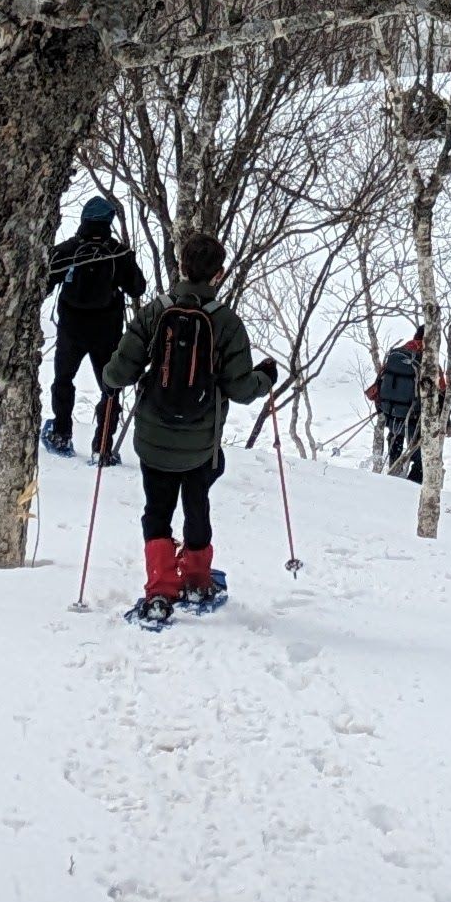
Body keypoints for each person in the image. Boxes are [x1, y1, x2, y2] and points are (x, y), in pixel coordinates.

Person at [122, 230, 278, 620]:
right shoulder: (225, 323)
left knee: (156, 509)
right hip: (200, 443)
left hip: (153, 435)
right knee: (197, 507)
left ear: (180, 265)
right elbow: (241, 389)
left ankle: (160, 588)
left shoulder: (155, 312)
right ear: (218, 274)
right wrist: (266, 378)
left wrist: (110, 383)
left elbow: (121, 367)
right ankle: (196, 580)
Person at [40, 195, 143, 457]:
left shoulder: (67, 250)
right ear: (108, 222)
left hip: (70, 330)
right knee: (110, 387)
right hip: (107, 332)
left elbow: (43, 285)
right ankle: (103, 447)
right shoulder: (119, 253)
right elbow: (136, 288)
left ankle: (61, 433)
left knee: (64, 379)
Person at [368, 329, 442, 479]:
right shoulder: (427, 360)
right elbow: (441, 390)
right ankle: (412, 485)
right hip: (414, 417)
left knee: (395, 438)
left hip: (391, 412)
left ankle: (393, 474)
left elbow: (379, 382)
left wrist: (381, 408)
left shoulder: (397, 354)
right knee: (419, 456)